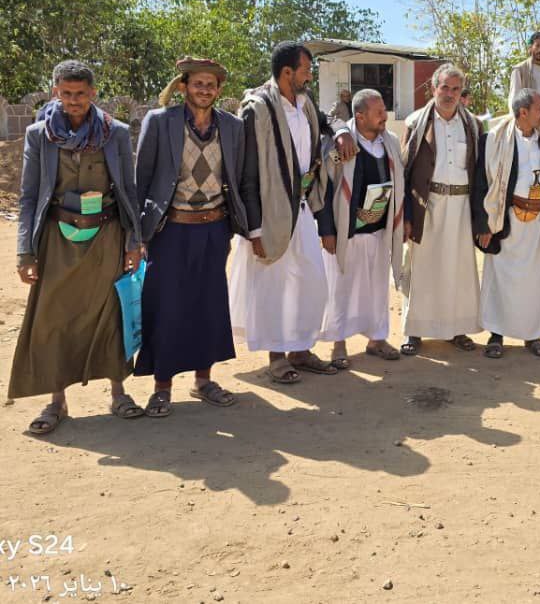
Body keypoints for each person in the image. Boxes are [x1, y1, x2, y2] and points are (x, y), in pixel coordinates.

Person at [10, 60, 143, 433]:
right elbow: (29, 196)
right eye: (66, 93)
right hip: (57, 239)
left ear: (93, 93)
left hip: (107, 236)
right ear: (55, 92)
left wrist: (134, 242)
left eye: (80, 93)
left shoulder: (115, 133)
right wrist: (25, 253)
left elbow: (128, 190)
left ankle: (118, 393)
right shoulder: (39, 135)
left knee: (110, 314)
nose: (73, 100)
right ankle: (57, 402)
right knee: (55, 317)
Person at [134, 57, 251, 416]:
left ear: (219, 90)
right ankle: (162, 388)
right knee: (167, 307)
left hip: (214, 229)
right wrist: (136, 235)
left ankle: (204, 381)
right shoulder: (160, 122)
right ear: (184, 86)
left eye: (211, 85)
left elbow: (240, 178)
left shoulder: (232, 126)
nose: (205, 90)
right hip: (169, 230)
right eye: (198, 83)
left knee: (208, 307)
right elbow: (141, 178)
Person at [229, 40, 345, 383]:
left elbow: (327, 122)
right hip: (270, 213)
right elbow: (248, 172)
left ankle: (300, 348)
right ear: (286, 72)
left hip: (303, 206)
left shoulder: (305, 103)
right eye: (306, 70)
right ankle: (277, 356)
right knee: (274, 286)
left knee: (311, 280)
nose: (310, 76)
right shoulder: (257, 109)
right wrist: (254, 229)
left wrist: (340, 133)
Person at [400, 63, 484, 355]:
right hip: (428, 205)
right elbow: (405, 172)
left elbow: (480, 174)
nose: (449, 94)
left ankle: (456, 329)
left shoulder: (473, 125)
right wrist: (406, 216)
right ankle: (414, 331)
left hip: (461, 207)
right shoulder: (416, 122)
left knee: (458, 271)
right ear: (433, 88)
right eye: (444, 87)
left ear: (461, 92)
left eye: (455, 89)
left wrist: (480, 218)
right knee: (421, 270)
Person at [316, 89, 405, 365]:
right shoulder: (341, 146)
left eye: (384, 111)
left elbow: (400, 182)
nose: (384, 116)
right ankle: (338, 344)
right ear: (360, 116)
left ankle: (377, 339)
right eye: (378, 112)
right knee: (340, 288)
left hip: (379, 230)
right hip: (346, 231)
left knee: (377, 289)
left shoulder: (390, 142)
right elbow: (325, 185)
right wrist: (327, 230)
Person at [473, 88, 540, 358]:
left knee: (535, 282)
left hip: (538, 224)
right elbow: (481, 184)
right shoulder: (493, 140)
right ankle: (496, 334)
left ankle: (532, 335)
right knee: (500, 280)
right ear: (523, 112)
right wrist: (484, 225)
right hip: (504, 220)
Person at [508, 31, 540, 122]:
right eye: (537, 46)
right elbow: (514, 99)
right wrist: (517, 121)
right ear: (530, 48)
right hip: (528, 121)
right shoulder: (520, 70)